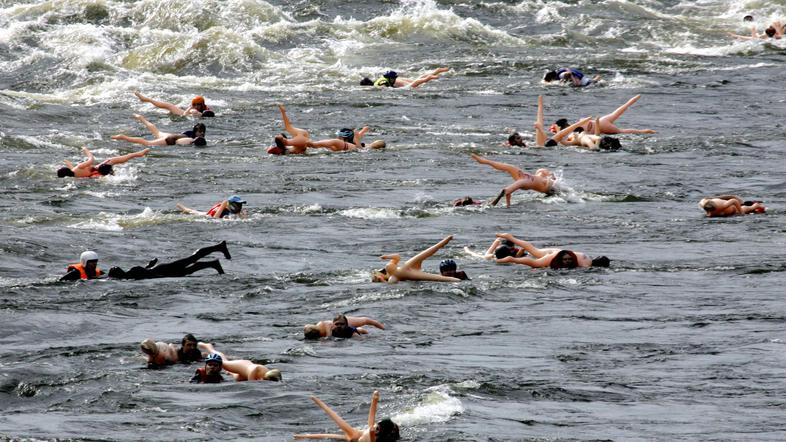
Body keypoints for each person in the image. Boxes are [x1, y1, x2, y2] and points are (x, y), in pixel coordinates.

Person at [268, 105, 385, 155]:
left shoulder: (340, 142)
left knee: (315, 144)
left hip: (349, 148)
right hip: (351, 148)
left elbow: (314, 145)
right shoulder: (353, 143)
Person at [294, 390, 400, 442]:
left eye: (378, 428)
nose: (376, 427)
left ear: (381, 432)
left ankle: (303, 436)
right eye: (378, 425)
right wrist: (375, 399)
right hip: (355, 436)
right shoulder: (372, 427)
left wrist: (375, 400)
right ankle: (303, 436)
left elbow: (372, 433)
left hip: (355, 436)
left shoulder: (375, 436)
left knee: (335, 420)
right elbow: (372, 415)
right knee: (329, 434)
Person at [470, 153, 561, 207]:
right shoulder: (522, 178)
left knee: (541, 171)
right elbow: (507, 191)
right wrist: (485, 161)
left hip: (549, 187)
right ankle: (484, 161)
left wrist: (494, 204)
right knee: (540, 171)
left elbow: (505, 191)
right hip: (546, 183)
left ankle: (484, 161)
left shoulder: (523, 181)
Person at [106, 241, 230, 279]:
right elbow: (146, 270)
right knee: (190, 269)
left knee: (192, 259)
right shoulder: (130, 275)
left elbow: (146, 273)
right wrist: (150, 264)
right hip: (164, 272)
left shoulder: (131, 274)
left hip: (164, 270)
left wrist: (151, 265)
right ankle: (213, 264)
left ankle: (218, 247)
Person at [549, 95, 656, 135]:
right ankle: (633, 99)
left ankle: (644, 131)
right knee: (619, 110)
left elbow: (595, 134)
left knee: (621, 131)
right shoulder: (578, 121)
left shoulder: (575, 131)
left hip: (602, 126)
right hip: (602, 120)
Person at [372, 235, 462, 283]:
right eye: (446, 270)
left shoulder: (395, 277)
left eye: (452, 270)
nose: (450, 272)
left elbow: (396, 258)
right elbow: (397, 257)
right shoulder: (395, 276)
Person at [508, 96, 591, 148]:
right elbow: (544, 139)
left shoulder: (520, 145)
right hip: (542, 147)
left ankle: (540, 105)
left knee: (559, 134)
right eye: (518, 138)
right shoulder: (517, 147)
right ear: (513, 142)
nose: (521, 138)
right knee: (557, 134)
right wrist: (540, 129)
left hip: (544, 146)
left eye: (519, 137)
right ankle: (540, 106)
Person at [492, 233, 610, 269]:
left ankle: (511, 238)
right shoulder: (587, 264)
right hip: (558, 256)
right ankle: (511, 259)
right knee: (534, 264)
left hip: (559, 251)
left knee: (534, 250)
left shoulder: (587, 256)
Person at [197, 343, 282, 382]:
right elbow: (251, 384)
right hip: (241, 365)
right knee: (222, 361)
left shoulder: (267, 373)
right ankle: (208, 347)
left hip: (245, 369)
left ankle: (229, 373)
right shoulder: (255, 370)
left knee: (238, 378)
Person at [111, 114, 207, 147]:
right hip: (170, 140)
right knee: (147, 143)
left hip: (171, 136)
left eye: (203, 132)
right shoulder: (193, 138)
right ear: (195, 132)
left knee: (156, 132)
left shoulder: (188, 134)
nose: (202, 133)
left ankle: (141, 118)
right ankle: (123, 137)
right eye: (200, 131)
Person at [57, 146, 150, 178]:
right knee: (113, 160)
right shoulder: (79, 167)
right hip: (99, 170)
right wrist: (86, 150)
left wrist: (67, 162)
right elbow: (91, 160)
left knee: (107, 163)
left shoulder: (74, 175)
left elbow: (71, 169)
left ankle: (112, 173)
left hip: (98, 174)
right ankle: (139, 154)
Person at [139, 334, 204, 367]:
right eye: (189, 345)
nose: (192, 347)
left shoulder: (197, 352)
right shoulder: (177, 354)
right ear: (183, 345)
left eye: (194, 345)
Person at [303, 314, 385, 340]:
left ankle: (383, 327)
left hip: (347, 327)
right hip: (334, 326)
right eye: (337, 324)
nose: (338, 326)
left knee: (363, 324)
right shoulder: (314, 331)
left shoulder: (348, 327)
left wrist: (383, 328)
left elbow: (366, 320)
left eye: (341, 324)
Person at [134, 91, 215, 117]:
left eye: (199, 104)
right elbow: (184, 115)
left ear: (202, 104)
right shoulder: (194, 110)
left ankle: (147, 100)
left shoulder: (206, 109)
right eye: (195, 104)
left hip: (181, 112)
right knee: (167, 105)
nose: (197, 106)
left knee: (165, 109)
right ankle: (146, 99)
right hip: (180, 112)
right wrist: (190, 108)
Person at [361, 67, 449, 89]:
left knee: (413, 85)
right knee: (416, 80)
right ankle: (435, 71)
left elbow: (383, 87)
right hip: (398, 79)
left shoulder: (377, 85)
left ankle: (429, 77)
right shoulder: (378, 79)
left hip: (398, 82)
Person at [177, 195, 247, 219]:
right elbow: (215, 218)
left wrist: (240, 214)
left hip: (206, 214)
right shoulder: (223, 209)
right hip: (206, 216)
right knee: (192, 212)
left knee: (192, 211)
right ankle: (182, 207)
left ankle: (181, 207)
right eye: (237, 204)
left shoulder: (225, 206)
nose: (239, 206)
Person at [698, 195, 766, 217]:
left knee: (745, 209)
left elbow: (734, 200)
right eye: (707, 211)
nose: (709, 214)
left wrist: (741, 212)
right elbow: (703, 200)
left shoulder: (723, 206)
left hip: (733, 209)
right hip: (716, 200)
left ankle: (756, 205)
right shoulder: (704, 204)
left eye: (711, 211)